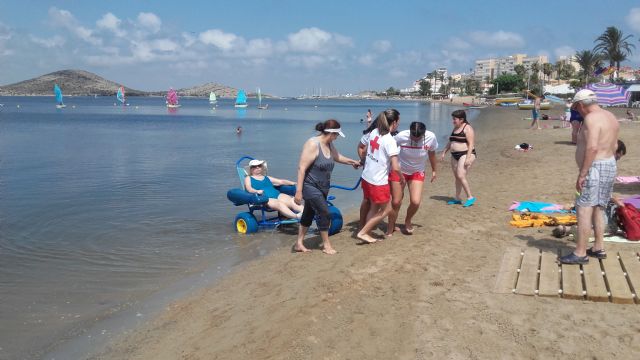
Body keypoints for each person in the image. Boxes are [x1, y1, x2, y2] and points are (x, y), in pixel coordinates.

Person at [559, 89, 620, 265]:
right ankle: (598, 247)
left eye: (576, 108)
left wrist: (583, 173)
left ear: (581, 105)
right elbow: (615, 145)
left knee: (584, 208)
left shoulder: (591, 118)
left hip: (595, 166)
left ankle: (580, 253)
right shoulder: (610, 116)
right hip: (609, 164)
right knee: (599, 207)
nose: (576, 111)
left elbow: (592, 148)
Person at [293, 119, 360, 254]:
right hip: (310, 186)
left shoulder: (329, 144)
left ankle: (299, 243)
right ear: (331, 133)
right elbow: (301, 168)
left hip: (323, 187)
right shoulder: (313, 144)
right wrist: (298, 191)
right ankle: (326, 245)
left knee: (308, 213)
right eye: (336, 135)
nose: (337, 138)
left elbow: (337, 157)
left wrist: (352, 162)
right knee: (325, 212)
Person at [357, 109, 401, 243]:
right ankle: (363, 232)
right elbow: (395, 166)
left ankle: (367, 232)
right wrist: (402, 178)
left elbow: (364, 151)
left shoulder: (374, 132)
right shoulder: (389, 140)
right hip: (378, 181)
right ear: (394, 122)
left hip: (366, 177)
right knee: (387, 208)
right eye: (398, 121)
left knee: (374, 207)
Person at [387, 121, 438, 235]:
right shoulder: (401, 136)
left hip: (417, 172)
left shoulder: (431, 137)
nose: (415, 140)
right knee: (396, 201)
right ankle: (391, 226)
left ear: (423, 134)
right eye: (413, 137)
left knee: (415, 201)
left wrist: (434, 170)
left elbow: (432, 154)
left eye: (418, 138)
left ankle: (408, 220)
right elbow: (389, 150)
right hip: (399, 171)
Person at [441, 109, 477, 207]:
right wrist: (444, 151)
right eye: (453, 119)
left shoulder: (467, 128)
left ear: (461, 119)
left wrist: (468, 158)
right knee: (457, 177)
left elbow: (471, 144)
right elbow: (451, 141)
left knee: (461, 175)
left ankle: (470, 197)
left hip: (465, 154)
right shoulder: (455, 127)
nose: (453, 121)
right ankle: (457, 198)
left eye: (454, 119)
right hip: (454, 155)